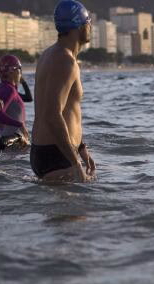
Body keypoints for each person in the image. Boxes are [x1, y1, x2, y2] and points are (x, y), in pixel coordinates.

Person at [30, 0, 95, 182]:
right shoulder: (66, 61)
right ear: (79, 26)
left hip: (47, 151)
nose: (90, 26)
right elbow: (52, 114)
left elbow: (65, 110)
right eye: (88, 21)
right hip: (56, 154)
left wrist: (81, 149)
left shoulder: (49, 54)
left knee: (67, 209)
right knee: (78, 209)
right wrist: (75, 164)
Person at [0, 55, 33, 146]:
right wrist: (20, 125)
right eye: (20, 69)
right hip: (14, 142)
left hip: (6, 139)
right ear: (13, 71)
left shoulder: (1, 88)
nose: (21, 73)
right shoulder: (10, 90)